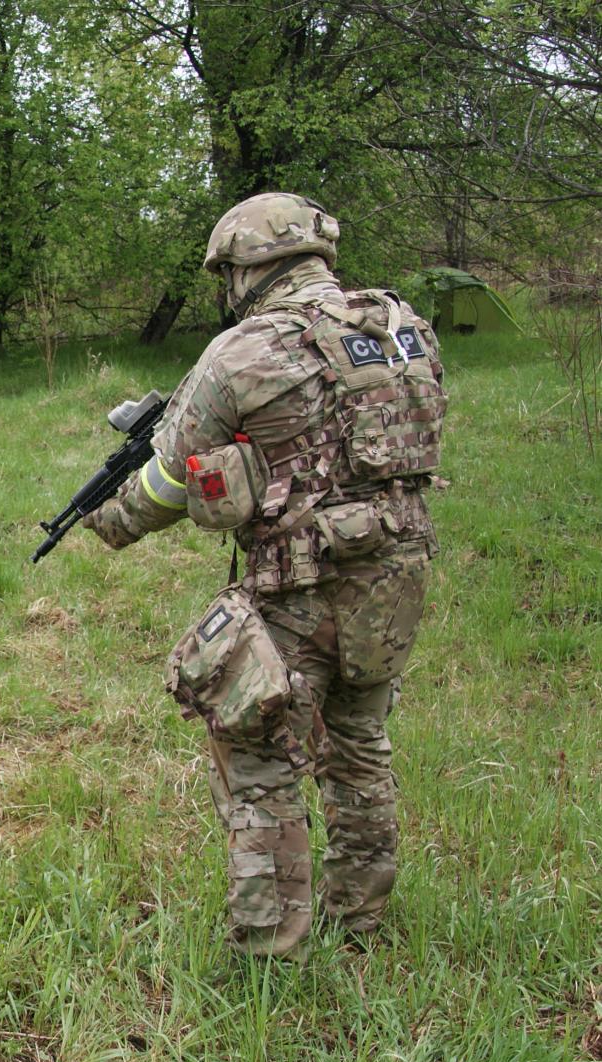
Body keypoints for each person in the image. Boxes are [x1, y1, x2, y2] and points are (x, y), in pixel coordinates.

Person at [83, 193, 446, 960]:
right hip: (396, 580)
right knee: (359, 741)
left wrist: (113, 523)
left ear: (247, 268)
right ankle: (363, 921)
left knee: (256, 757)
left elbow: (174, 470)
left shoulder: (242, 352)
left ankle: (271, 949)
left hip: (298, 586)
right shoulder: (404, 329)